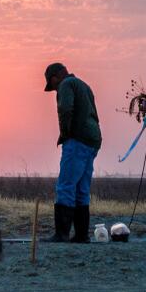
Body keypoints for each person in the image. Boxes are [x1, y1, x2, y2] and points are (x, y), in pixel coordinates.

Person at [43, 62, 102, 242]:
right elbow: (94, 114)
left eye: (52, 85)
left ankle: (61, 234)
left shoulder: (66, 85)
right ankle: (82, 235)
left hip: (77, 140)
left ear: (55, 78)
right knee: (81, 188)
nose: (54, 89)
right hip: (93, 140)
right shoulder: (84, 85)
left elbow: (65, 109)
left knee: (66, 186)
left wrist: (65, 134)